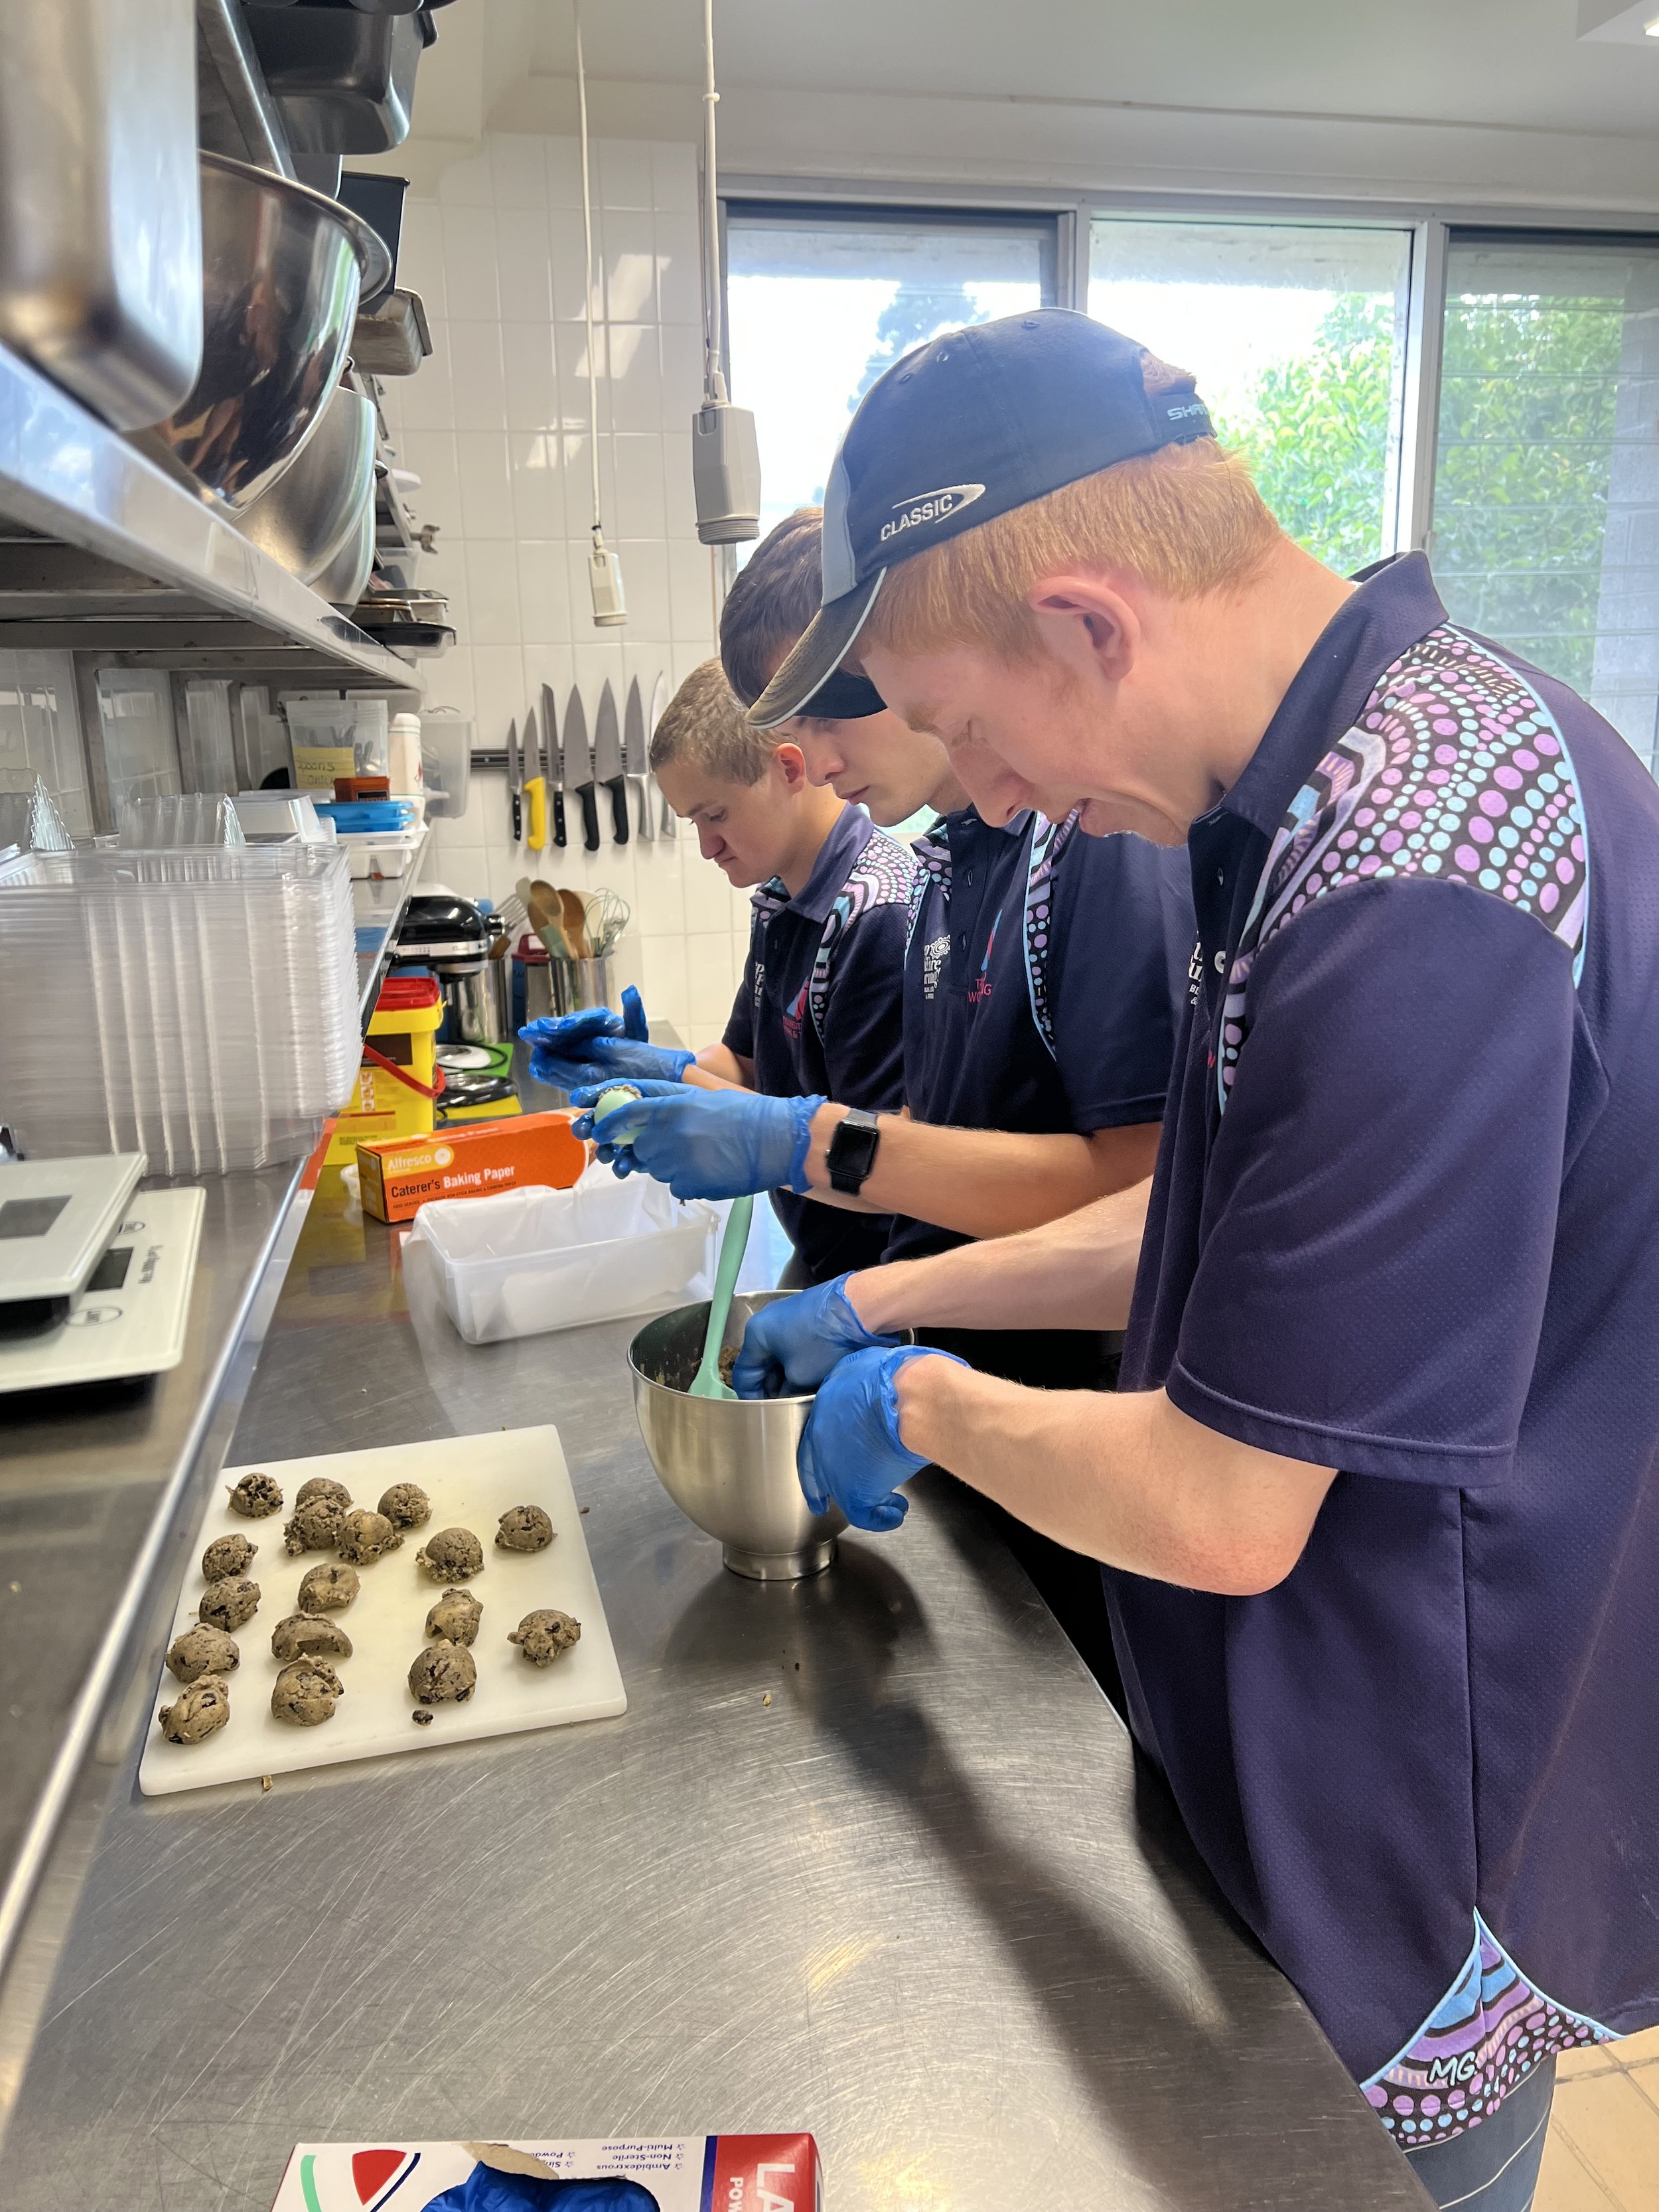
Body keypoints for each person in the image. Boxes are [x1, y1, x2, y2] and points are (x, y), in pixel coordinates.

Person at [725, 307, 1659, 2211]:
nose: (975, 795)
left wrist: (919, 1403)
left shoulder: (1422, 871)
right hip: (1287, 1747)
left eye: (971, 731)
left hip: (1412, 1815)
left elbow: (1231, 1506)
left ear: (1085, 622)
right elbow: (1228, 1227)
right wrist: (895, 1290)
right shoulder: (1304, 792)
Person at [581, 508, 1190, 1692]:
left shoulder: (1095, 847)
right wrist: (880, 1296)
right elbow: (937, 1146)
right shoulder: (948, 862)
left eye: (829, 703)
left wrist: (810, 1148)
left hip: (1061, 1417)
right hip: (944, 1390)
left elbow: (1140, 1198)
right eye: (783, 718)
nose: (804, 752)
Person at [523, 657, 914, 1287]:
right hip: (818, 1253)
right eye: (693, 823)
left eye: (715, 815)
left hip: (882, 1276)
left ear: (788, 769)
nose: (707, 847)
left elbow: (882, 1170)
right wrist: (654, 1077)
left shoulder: (876, 916)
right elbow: (747, 1063)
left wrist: (711, 1113)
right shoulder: (779, 899)